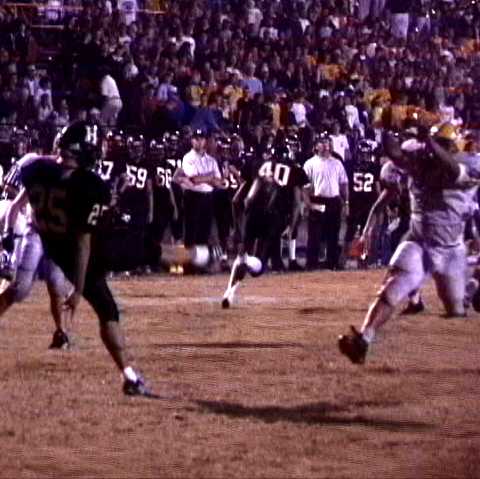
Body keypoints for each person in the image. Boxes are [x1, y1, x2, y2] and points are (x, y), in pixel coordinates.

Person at [4, 120, 150, 396]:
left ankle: (68, 336)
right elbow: (83, 243)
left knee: (42, 288)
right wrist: (79, 290)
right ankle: (129, 376)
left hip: (50, 240)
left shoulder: (36, 169)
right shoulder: (87, 184)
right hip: (68, 249)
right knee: (107, 308)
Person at [338, 125, 480, 365]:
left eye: (443, 145)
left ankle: (472, 286)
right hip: (419, 242)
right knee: (392, 288)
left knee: (456, 309)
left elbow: (451, 168)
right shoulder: (419, 163)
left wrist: (430, 143)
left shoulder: (467, 166)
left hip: (451, 250)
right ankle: (364, 339)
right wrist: (386, 131)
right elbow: (396, 155)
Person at [1, 151, 73, 349]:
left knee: (56, 285)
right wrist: (7, 233)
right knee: (19, 289)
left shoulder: (73, 177)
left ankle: (61, 333)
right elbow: (15, 205)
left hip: (56, 238)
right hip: (35, 233)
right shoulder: (41, 170)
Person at [222, 144, 308, 308]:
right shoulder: (295, 170)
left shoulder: (257, 164)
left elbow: (236, 200)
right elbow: (297, 203)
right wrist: (291, 226)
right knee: (258, 267)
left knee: (242, 255)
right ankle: (246, 260)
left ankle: (229, 292)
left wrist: (237, 227)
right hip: (273, 217)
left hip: (251, 213)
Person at [303, 132, 349, 270]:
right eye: (322, 143)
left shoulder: (337, 163)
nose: (325, 145)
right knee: (314, 234)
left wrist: (346, 202)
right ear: (316, 146)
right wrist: (308, 203)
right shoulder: (310, 163)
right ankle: (312, 263)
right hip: (317, 200)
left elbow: (344, 184)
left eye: (327, 142)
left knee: (333, 234)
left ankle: (332, 263)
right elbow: (305, 187)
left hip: (334, 201)